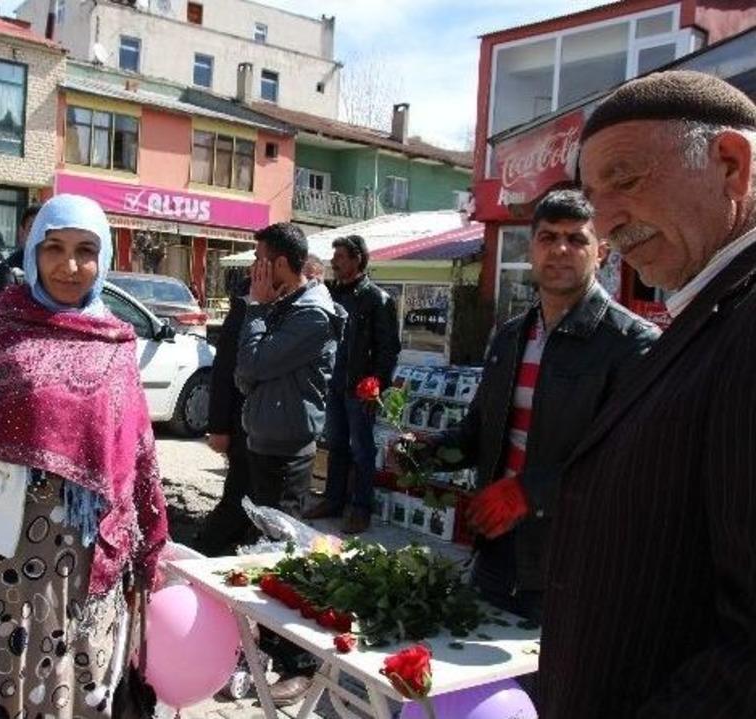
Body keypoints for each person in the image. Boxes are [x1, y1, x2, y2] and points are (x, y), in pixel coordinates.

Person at [534, 71, 756, 718]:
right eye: (593, 196)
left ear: (731, 165)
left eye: (625, 181)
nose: (607, 221)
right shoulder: (708, 314)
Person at [0, 194, 168, 718]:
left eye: (86, 251)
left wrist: (145, 548)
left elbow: (134, 454)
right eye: (55, 248)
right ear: (33, 251)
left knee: (74, 687)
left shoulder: (114, 339)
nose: (70, 266)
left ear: (104, 256)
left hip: (88, 558)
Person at [426, 190, 659, 624]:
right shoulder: (511, 337)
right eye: (549, 237)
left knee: (554, 688)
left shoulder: (632, 344)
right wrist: (426, 450)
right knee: (488, 686)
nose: (561, 249)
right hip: (496, 547)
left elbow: (631, 462)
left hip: (576, 560)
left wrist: (529, 492)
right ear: (531, 247)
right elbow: (479, 430)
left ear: (602, 252)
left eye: (577, 238)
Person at [234, 222, 345, 706]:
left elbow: (255, 367)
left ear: (281, 264)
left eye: (262, 259)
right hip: (264, 438)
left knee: (286, 557)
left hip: (287, 447)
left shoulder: (312, 314)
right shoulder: (283, 306)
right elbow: (244, 373)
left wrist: (256, 311)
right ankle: (270, 646)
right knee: (262, 551)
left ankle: (300, 662)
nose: (256, 269)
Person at [304, 235, 400, 534]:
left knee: (362, 449)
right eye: (335, 257)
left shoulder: (377, 299)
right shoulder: (333, 294)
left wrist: (376, 384)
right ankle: (333, 500)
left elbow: (389, 349)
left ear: (357, 259)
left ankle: (361, 509)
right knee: (335, 445)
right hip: (334, 384)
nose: (334, 262)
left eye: (341, 257)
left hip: (360, 389)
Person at [195, 275, 251, 556]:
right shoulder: (245, 310)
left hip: (273, 430)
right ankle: (208, 550)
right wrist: (218, 427)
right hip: (241, 423)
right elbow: (224, 371)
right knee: (237, 494)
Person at [0, 203, 42, 298]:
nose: (38, 236)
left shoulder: (58, 269)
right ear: (21, 232)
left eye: (43, 230)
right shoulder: (6, 272)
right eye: (32, 229)